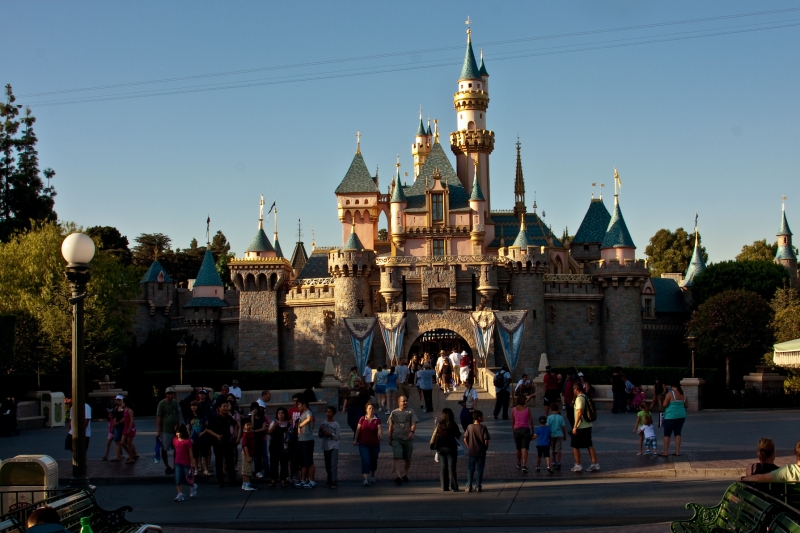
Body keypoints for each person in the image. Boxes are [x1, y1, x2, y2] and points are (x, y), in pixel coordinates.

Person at [388, 395, 418, 485]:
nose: (405, 403)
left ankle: (405, 474)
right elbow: (391, 426)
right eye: (403, 401)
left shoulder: (410, 412)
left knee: (407, 458)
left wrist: (412, 431)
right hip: (397, 438)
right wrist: (390, 437)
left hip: (407, 438)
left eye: (406, 401)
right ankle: (398, 476)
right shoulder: (394, 413)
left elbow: (414, 423)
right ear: (399, 402)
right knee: (397, 457)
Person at [206, 402, 237, 487]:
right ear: (219, 408)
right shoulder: (214, 418)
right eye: (224, 406)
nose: (226, 408)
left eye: (227, 406)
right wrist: (216, 435)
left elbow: (235, 424)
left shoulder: (228, 417)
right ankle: (220, 481)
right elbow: (208, 429)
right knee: (219, 462)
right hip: (218, 442)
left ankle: (232, 480)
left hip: (227, 441)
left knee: (230, 462)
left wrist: (234, 433)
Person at [571, 381, 600, 472]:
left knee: (575, 446)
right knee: (589, 445)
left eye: (573, 389)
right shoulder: (585, 396)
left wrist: (575, 426)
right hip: (587, 425)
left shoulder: (579, 398)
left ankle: (578, 464)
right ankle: (595, 463)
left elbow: (579, 412)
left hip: (581, 426)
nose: (573, 391)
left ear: (576, 389)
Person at [432, 407, 461, 492]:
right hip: (451, 448)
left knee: (443, 467)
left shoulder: (439, 425)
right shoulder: (453, 425)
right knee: (452, 467)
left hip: (441, 448)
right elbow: (458, 436)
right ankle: (453, 486)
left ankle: (444, 486)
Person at [354, 402, 382, 486]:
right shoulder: (362, 419)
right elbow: (358, 429)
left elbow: (380, 429)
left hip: (374, 444)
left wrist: (380, 434)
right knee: (365, 460)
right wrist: (355, 439)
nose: (371, 410)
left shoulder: (377, 419)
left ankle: (372, 475)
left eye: (372, 408)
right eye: (369, 408)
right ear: (366, 410)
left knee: (373, 461)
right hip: (363, 444)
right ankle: (365, 478)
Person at [463, 410, 490, 493]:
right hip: (481, 451)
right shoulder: (483, 428)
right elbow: (486, 440)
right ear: (479, 418)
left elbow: (465, 438)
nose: (483, 417)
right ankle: (478, 486)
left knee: (470, 469)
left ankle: (468, 485)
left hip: (472, 451)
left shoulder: (470, 427)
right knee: (480, 469)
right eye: (482, 416)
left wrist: (469, 446)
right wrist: (485, 448)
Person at [156, 386, 180, 475]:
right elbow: (159, 417)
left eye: (172, 393)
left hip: (174, 430)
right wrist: (158, 430)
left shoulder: (174, 402)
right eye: (169, 394)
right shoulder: (162, 403)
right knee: (165, 448)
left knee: (176, 448)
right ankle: (167, 466)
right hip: (166, 429)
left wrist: (178, 426)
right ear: (166, 394)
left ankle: (175, 465)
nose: (170, 395)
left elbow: (177, 414)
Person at [659, 381, 687, 457]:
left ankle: (665, 451)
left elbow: (665, 404)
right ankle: (677, 451)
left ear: (673, 387)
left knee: (667, 434)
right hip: (681, 416)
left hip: (670, 416)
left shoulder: (671, 394)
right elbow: (686, 405)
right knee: (678, 433)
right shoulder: (684, 394)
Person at [295, 396, 316, 488]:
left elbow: (309, 419)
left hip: (307, 440)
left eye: (299, 404)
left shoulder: (308, 412)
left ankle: (312, 480)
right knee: (303, 462)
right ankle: (303, 479)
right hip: (301, 440)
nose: (298, 407)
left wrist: (300, 425)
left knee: (309, 461)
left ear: (304, 404)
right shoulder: (302, 413)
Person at [511, 394, 534, 473]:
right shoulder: (528, 410)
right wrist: (533, 431)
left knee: (518, 447)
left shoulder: (514, 409)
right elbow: (531, 421)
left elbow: (512, 421)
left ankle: (518, 462)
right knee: (524, 448)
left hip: (516, 429)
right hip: (525, 429)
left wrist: (513, 430)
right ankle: (524, 465)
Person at [173, 423, 196, 500]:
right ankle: (180, 493)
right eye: (176, 432)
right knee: (178, 478)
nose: (178, 434)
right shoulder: (175, 440)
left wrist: (192, 462)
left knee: (189, 478)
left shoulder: (187, 441)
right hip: (178, 462)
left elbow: (190, 452)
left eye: (179, 432)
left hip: (186, 462)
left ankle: (193, 487)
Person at [268, 407, 290, 486]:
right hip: (274, 445)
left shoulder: (288, 424)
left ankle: (283, 480)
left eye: (282, 413)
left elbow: (290, 434)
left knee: (284, 463)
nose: (280, 415)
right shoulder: (274, 422)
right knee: (274, 463)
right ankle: (273, 479)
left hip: (284, 446)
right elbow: (269, 432)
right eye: (279, 413)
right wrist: (274, 426)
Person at [319, 405, 340, 489]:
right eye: (327, 412)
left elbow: (338, 436)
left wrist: (331, 434)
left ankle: (334, 481)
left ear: (333, 413)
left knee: (333, 464)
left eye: (330, 412)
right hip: (326, 445)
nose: (328, 414)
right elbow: (320, 435)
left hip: (334, 446)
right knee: (327, 464)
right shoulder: (323, 423)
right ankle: (329, 479)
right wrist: (321, 430)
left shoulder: (336, 424)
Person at [188, 401, 210, 475]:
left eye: (195, 406)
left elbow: (208, 426)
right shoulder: (190, 417)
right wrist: (190, 437)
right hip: (194, 438)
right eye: (192, 406)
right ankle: (196, 469)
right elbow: (188, 428)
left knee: (204, 454)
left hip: (203, 438)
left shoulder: (202, 416)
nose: (194, 407)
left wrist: (203, 432)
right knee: (195, 455)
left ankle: (205, 469)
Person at [250, 402, 269, 479]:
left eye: (256, 408)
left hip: (262, 438)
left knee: (264, 454)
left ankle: (267, 470)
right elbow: (252, 426)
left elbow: (263, 428)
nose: (255, 410)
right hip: (254, 439)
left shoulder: (262, 417)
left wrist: (255, 431)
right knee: (256, 455)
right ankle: (257, 470)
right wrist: (252, 417)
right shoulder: (252, 417)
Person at [547, 402, 567, 471]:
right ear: (558, 409)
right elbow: (563, 427)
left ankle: (554, 460)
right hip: (559, 435)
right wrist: (564, 435)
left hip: (552, 435)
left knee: (553, 448)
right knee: (558, 449)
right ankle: (559, 461)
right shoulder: (560, 417)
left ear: (551, 409)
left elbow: (548, 427)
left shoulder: (549, 418)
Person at [240, 421, 257, 491]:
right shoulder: (245, 435)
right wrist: (248, 456)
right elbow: (245, 446)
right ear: (244, 426)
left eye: (250, 424)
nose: (249, 426)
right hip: (247, 453)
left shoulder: (252, 433)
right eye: (247, 425)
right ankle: (246, 483)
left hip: (251, 453)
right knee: (246, 470)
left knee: (247, 468)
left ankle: (245, 483)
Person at [121, 398, 137, 464]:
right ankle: (131, 454)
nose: (122, 403)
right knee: (122, 442)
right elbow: (124, 419)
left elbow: (132, 420)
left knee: (129, 443)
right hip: (125, 427)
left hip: (130, 428)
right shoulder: (124, 410)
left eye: (123, 402)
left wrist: (129, 428)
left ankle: (131, 458)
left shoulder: (130, 410)